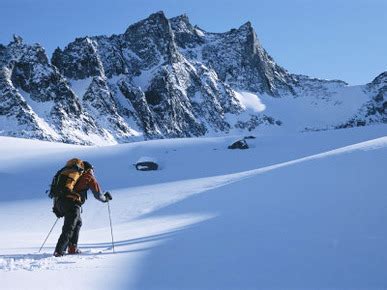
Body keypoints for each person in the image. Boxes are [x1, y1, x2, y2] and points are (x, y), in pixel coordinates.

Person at [53, 161, 112, 257]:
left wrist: (57, 208)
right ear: (89, 169)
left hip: (60, 202)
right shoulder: (87, 176)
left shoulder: (70, 173)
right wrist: (105, 199)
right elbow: (98, 194)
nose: (93, 172)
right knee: (70, 227)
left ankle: (72, 248)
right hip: (72, 203)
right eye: (93, 170)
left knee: (77, 223)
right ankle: (59, 251)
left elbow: (60, 191)